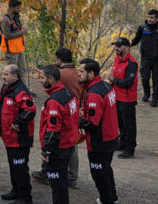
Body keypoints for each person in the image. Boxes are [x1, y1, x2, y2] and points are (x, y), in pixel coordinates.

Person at [33, 48, 82, 189]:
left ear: (59, 60)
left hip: (60, 109)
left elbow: (53, 128)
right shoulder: (78, 72)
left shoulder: (60, 74)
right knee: (73, 145)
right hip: (74, 108)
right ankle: (72, 176)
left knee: (54, 140)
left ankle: (47, 172)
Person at [77, 58, 119, 204]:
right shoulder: (106, 86)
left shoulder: (94, 93)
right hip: (111, 137)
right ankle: (112, 199)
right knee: (106, 170)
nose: (78, 74)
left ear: (91, 73)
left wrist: (75, 121)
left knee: (99, 174)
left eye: (81, 71)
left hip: (100, 141)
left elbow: (92, 122)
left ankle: (107, 200)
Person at [0, 64, 36, 203]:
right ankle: (15, 190)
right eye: (3, 73)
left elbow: (30, 110)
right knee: (13, 166)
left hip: (19, 138)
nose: (3, 76)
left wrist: (17, 122)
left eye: (6, 74)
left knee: (20, 167)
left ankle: (25, 196)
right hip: (9, 137)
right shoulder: (7, 88)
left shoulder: (20, 91)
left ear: (15, 76)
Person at [38, 65, 79, 204]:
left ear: (51, 79)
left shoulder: (55, 101)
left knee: (57, 186)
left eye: (42, 78)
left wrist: (46, 151)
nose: (40, 81)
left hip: (58, 149)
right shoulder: (68, 94)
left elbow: (53, 129)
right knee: (61, 185)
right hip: (68, 145)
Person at [130, 9, 158, 107]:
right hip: (145, 58)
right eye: (148, 17)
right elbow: (136, 40)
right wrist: (128, 44)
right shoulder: (142, 28)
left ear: (156, 18)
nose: (149, 19)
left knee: (156, 79)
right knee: (145, 78)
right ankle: (146, 93)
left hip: (157, 59)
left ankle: (155, 98)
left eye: (152, 17)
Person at [108, 37, 137, 159]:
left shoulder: (131, 63)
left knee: (129, 124)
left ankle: (130, 149)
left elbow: (128, 82)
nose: (116, 48)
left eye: (119, 46)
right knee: (120, 123)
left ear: (126, 47)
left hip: (127, 99)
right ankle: (122, 143)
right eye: (116, 46)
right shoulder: (116, 59)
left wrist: (113, 80)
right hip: (116, 97)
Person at [0, 0, 29, 80]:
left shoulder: (16, 17)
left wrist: (21, 30)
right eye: (18, 8)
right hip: (11, 51)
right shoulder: (5, 20)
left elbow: (16, 30)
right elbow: (7, 36)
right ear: (12, 8)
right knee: (11, 72)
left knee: (22, 70)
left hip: (19, 48)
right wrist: (22, 33)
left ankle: (23, 89)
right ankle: (9, 89)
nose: (19, 10)